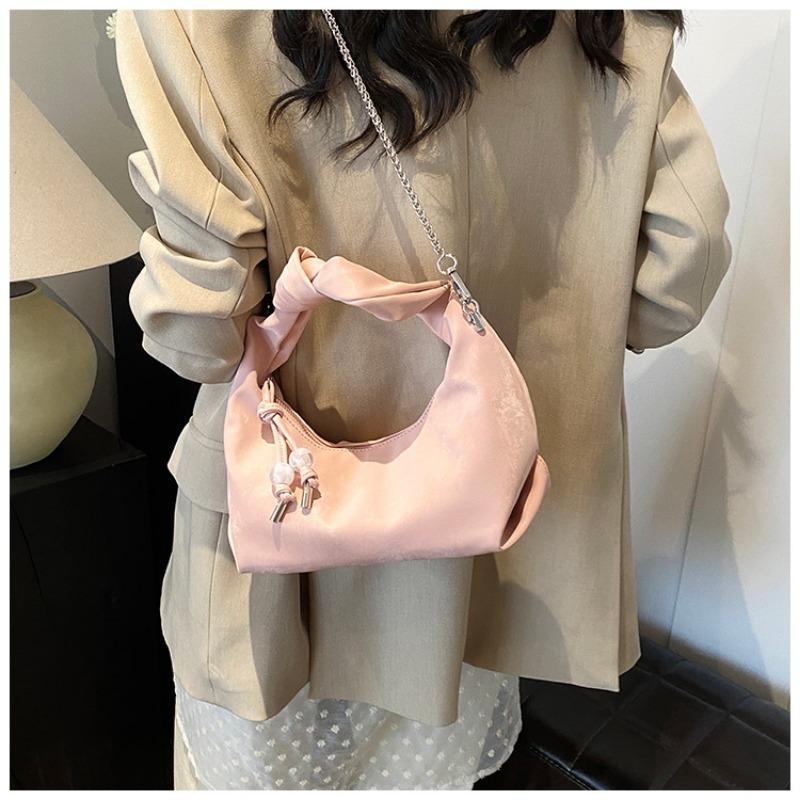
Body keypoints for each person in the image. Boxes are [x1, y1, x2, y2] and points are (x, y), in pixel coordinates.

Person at [115, 9, 731, 790]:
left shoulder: (196, 20)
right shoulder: (612, 22)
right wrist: (557, 343)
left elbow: (197, 334)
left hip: (284, 553)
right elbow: (683, 263)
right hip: (490, 548)